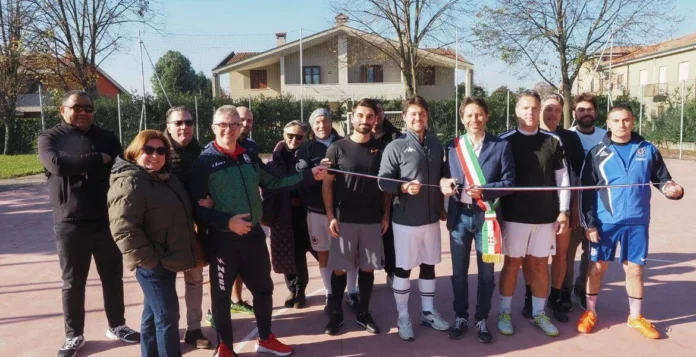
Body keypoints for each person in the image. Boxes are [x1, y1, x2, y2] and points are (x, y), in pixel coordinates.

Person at [189, 105, 327, 357]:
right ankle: (225, 347)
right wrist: (227, 222)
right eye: (223, 125)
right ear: (213, 128)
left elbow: (274, 182)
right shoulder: (204, 162)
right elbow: (196, 208)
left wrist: (310, 175)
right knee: (221, 297)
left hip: (253, 237)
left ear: (240, 127)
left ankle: (266, 338)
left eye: (233, 124)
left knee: (264, 290)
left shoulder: (249, 156)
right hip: (223, 241)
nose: (228, 129)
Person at [37, 90, 139, 357]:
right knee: (73, 281)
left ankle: (117, 325)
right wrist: (98, 159)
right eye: (77, 107)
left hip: (106, 220)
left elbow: (120, 166)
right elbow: (58, 165)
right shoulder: (49, 138)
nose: (83, 112)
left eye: (88, 108)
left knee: (113, 277)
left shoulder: (106, 137)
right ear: (63, 110)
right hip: (70, 222)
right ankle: (74, 335)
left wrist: (84, 165)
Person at [577, 104, 684, 339]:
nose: (621, 125)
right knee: (597, 267)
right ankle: (590, 312)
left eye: (626, 120)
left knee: (634, 270)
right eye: (616, 121)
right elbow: (585, 192)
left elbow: (662, 180)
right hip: (605, 223)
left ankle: (635, 317)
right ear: (608, 123)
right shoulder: (596, 152)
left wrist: (672, 190)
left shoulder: (647, 149)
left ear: (633, 121)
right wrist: (589, 224)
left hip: (637, 222)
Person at [107, 130, 198, 357]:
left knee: (152, 315)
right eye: (148, 150)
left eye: (160, 151)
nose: (155, 156)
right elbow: (123, 228)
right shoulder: (130, 182)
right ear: (135, 152)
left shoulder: (165, 179)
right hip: (152, 264)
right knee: (167, 317)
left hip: (166, 259)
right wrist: (149, 261)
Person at [440, 97, 515, 343]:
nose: (475, 119)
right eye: (470, 115)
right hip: (459, 215)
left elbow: (509, 183)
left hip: (488, 217)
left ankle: (481, 319)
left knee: (486, 274)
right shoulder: (452, 146)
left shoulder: (501, 146)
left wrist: (485, 189)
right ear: (462, 118)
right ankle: (460, 317)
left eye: (479, 114)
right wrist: (445, 184)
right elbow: (443, 177)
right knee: (458, 273)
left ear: (487, 116)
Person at [496, 90, 570, 337]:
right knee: (512, 264)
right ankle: (505, 312)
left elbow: (563, 179)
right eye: (525, 108)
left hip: (545, 216)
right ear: (517, 111)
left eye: (535, 108)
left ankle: (539, 313)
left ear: (540, 111)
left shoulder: (554, 141)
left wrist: (563, 211)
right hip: (513, 216)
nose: (530, 112)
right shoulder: (503, 140)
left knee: (540, 265)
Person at [378, 96, 449, 341]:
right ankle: (403, 316)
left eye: (422, 114)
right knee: (404, 268)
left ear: (427, 117)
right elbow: (383, 180)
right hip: (405, 220)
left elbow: (441, 176)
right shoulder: (395, 146)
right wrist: (404, 188)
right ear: (405, 117)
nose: (418, 118)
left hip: (430, 219)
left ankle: (427, 313)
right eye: (413, 114)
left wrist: (441, 206)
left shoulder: (436, 143)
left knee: (429, 265)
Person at [322, 99, 391, 335]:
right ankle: (337, 314)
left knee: (368, 269)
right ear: (352, 118)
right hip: (344, 219)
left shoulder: (382, 149)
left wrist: (386, 215)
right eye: (360, 115)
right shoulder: (337, 148)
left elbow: (386, 186)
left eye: (369, 116)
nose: (364, 120)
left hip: (372, 220)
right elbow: (328, 184)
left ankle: (363, 312)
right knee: (340, 269)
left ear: (375, 120)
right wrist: (330, 215)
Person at [521, 94, 585, 323]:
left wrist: (572, 207)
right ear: (539, 111)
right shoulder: (528, 136)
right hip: (533, 210)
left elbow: (577, 174)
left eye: (557, 110)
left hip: (561, 208)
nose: (552, 114)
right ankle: (530, 297)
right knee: (532, 257)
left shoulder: (570, 138)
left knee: (560, 255)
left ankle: (556, 297)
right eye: (548, 109)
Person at [163, 106, 211, 349]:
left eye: (189, 122)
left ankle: (194, 328)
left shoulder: (202, 152)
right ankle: (168, 329)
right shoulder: (155, 149)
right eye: (178, 123)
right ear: (168, 126)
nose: (184, 127)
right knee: (164, 282)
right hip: (163, 230)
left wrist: (211, 199)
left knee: (194, 279)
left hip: (193, 228)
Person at [262, 120, 317, 309]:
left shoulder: (308, 156)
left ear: (304, 138)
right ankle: (292, 289)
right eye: (290, 135)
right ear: (283, 136)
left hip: (304, 213)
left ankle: (301, 290)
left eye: (298, 136)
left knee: (301, 251)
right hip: (281, 214)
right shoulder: (274, 159)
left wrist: (302, 196)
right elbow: (269, 184)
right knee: (286, 254)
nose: (294, 139)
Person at [297, 108, 343, 314]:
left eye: (325, 121)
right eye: (317, 122)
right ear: (312, 126)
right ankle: (329, 293)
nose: (321, 126)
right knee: (323, 252)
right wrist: (314, 173)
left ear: (331, 122)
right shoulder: (306, 148)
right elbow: (301, 174)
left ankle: (352, 291)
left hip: (343, 210)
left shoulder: (344, 142)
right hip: (316, 210)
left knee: (347, 253)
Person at [565, 93, 608, 311]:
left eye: (589, 110)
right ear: (575, 113)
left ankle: (580, 290)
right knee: (567, 251)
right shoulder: (568, 136)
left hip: (598, 205)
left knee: (592, 251)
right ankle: (563, 292)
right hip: (573, 204)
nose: (586, 113)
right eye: (581, 110)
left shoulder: (606, 136)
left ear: (596, 112)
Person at [228, 106, 257, 315]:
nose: (246, 124)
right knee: (223, 267)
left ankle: (236, 299)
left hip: (248, 216)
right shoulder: (218, 147)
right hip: (226, 219)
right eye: (242, 120)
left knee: (243, 264)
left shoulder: (252, 146)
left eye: (249, 121)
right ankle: (217, 307)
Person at [372, 101, 401, 289]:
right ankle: (363, 278)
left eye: (380, 111)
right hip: (367, 195)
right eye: (373, 111)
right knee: (367, 237)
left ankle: (392, 272)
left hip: (392, 195)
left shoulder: (396, 137)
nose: (377, 115)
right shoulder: (359, 136)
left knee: (390, 237)